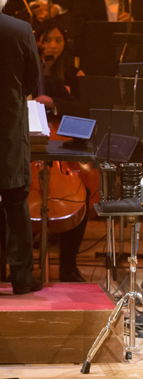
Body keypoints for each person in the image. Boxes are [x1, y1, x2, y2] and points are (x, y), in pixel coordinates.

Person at [34, 20, 89, 282]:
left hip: (62, 147)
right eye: (48, 40)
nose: (53, 45)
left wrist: (54, 102)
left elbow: (85, 111)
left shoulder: (74, 74)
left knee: (79, 198)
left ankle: (68, 265)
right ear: (38, 42)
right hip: (33, 144)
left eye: (58, 40)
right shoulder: (27, 70)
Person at [0, 0, 43, 294]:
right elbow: (31, 80)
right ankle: (21, 277)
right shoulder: (20, 29)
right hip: (8, 128)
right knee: (16, 201)